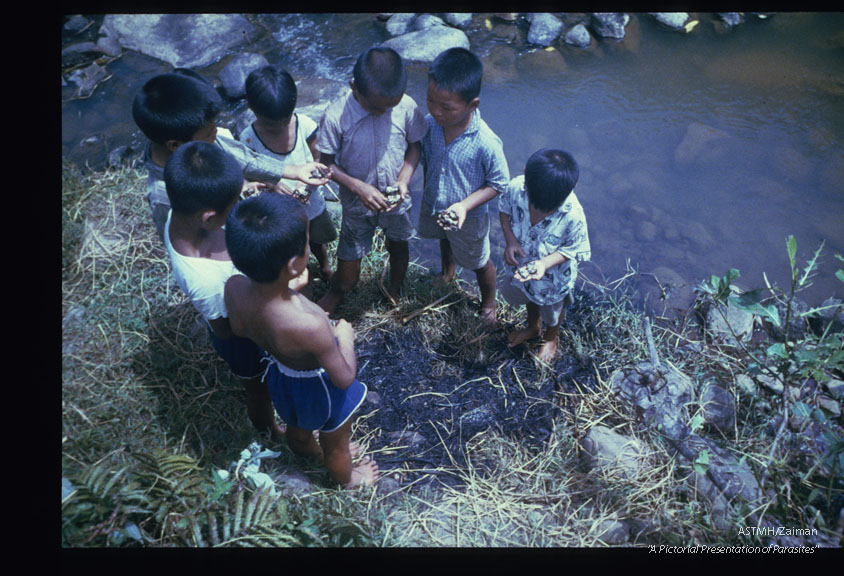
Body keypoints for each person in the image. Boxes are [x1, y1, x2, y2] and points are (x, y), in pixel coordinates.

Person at [224, 192, 378, 488]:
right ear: (295, 264)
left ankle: (305, 446)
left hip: (282, 378)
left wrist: (289, 289)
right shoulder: (309, 326)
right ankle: (347, 479)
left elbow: (240, 328)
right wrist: (344, 336)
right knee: (337, 442)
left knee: (297, 422)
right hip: (321, 388)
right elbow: (345, 378)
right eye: (308, 244)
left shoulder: (235, 288)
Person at [162, 141, 285, 440]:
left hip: (243, 312)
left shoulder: (178, 214)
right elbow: (226, 331)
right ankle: (268, 428)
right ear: (208, 217)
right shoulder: (203, 279)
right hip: (241, 338)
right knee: (256, 387)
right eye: (233, 205)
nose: (237, 206)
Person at [132, 71, 328, 240]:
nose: (217, 133)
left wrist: (294, 171)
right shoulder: (163, 196)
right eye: (210, 131)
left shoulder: (201, 140)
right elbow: (181, 241)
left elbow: (245, 158)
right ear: (175, 145)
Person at [315, 46, 428, 314]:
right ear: (354, 87)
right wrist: (358, 187)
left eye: (390, 107)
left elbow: (415, 147)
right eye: (376, 107)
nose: (383, 112)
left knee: (398, 246)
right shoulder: (336, 116)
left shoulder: (406, 107)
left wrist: (403, 179)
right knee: (349, 261)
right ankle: (339, 288)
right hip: (356, 204)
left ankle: (395, 287)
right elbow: (326, 163)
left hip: (395, 202)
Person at [416, 47, 510, 324]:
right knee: (444, 239)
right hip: (435, 202)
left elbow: (499, 183)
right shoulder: (430, 124)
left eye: (446, 107)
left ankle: (489, 301)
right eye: (430, 100)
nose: (436, 111)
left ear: (473, 105)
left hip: (469, 217)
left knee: (480, 261)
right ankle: (447, 273)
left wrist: (465, 206)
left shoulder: (486, 142)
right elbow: (418, 154)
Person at [240, 66, 337, 284]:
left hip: (310, 201)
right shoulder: (248, 139)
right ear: (253, 110)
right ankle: (295, 274)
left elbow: (317, 157)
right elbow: (249, 174)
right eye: (272, 125)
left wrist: (316, 175)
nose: (281, 127)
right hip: (278, 208)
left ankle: (324, 266)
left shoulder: (305, 125)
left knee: (317, 239)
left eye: (285, 121)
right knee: (288, 243)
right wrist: (272, 185)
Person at [498, 148, 591, 363]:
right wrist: (510, 240)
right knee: (530, 296)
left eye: (547, 210)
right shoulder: (515, 187)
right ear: (525, 177)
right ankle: (532, 327)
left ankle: (551, 337)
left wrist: (544, 264)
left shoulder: (574, 214)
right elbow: (503, 210)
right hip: (524, 264)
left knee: (552, 309)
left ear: (572, 188)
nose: (540, 212)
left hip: (554, 277)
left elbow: (573, 249)